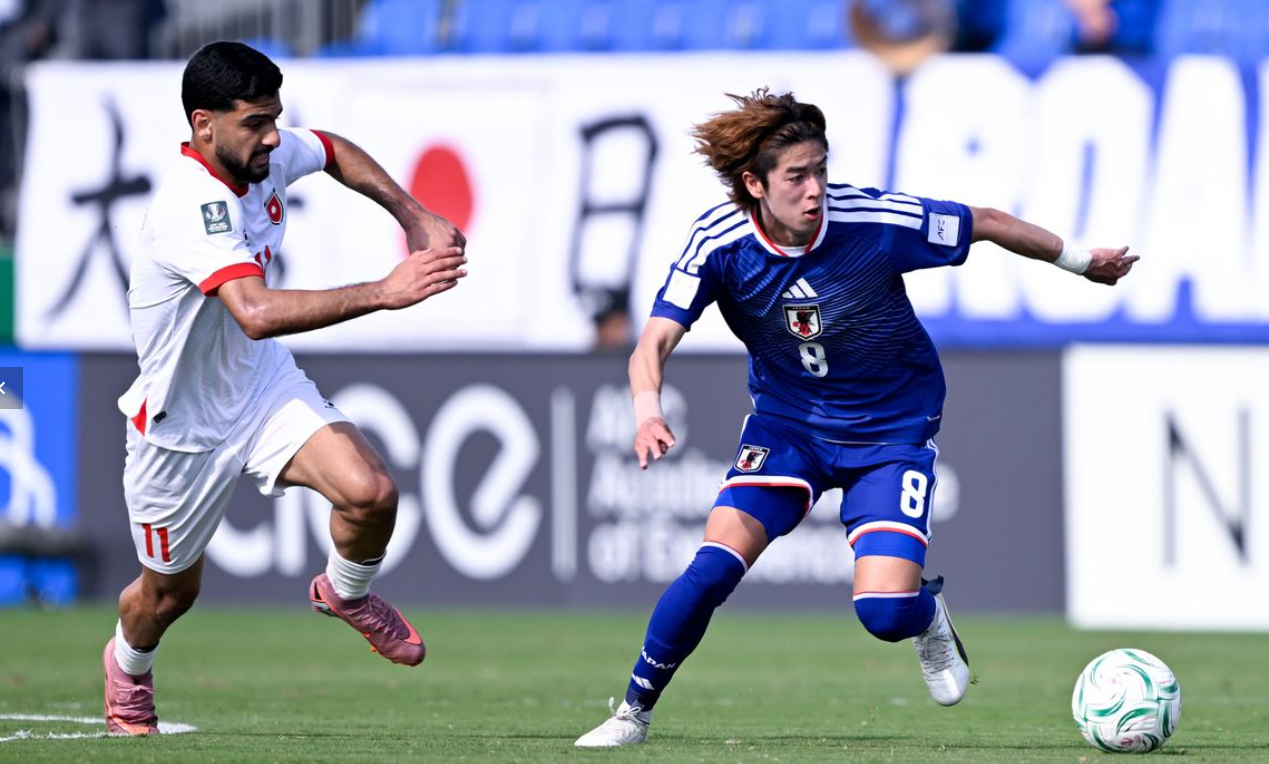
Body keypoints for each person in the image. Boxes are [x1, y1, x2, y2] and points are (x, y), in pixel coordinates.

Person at [574, 88, 1137, 748]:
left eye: (821, 170)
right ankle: (632, 713)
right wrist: (647, 410)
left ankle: (926, 619)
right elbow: (653, 342)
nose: (815, 189)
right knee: (713, 566)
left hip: (889, 432)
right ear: (753, 184)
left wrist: (1079, 261)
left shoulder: (870, 220)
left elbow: (981, 220)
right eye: (796, 176)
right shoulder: (719, 244)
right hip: (788, 428)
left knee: (882, 611)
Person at [104, 41, 467, 736]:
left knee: (371, 493)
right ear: (203, 124)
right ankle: (127, 669)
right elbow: (257, 312)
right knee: (168, 594)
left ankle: (345, 592)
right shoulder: (193, 205)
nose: (272, 136)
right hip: (180, 426)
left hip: (258, 385)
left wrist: (411, 214)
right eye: (255, 123)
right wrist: (383, 293)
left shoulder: (261, 156)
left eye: (275, 117)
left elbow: (330, 148)